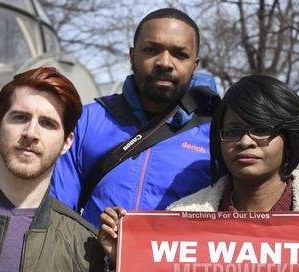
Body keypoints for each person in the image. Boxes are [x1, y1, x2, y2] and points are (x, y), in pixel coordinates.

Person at [98, 75, 299, 267]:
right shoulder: (179, 219)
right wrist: (127, 257)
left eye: (261, 128)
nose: (245, 142)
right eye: (233, 131)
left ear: (289, 138)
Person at [51, 8, 217, 228]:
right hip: (89, 261)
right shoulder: (86, 121)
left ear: (194, 65)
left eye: (179, 54)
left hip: (180, 262)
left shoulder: (217, 132)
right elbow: (56, 216)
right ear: (132, 56)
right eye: (151, 49)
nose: (164, 62)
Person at [0, 67, 104, 272]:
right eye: (20, 117)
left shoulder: (85, 250)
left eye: (47, 123)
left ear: (67, 142)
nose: (31, 133)